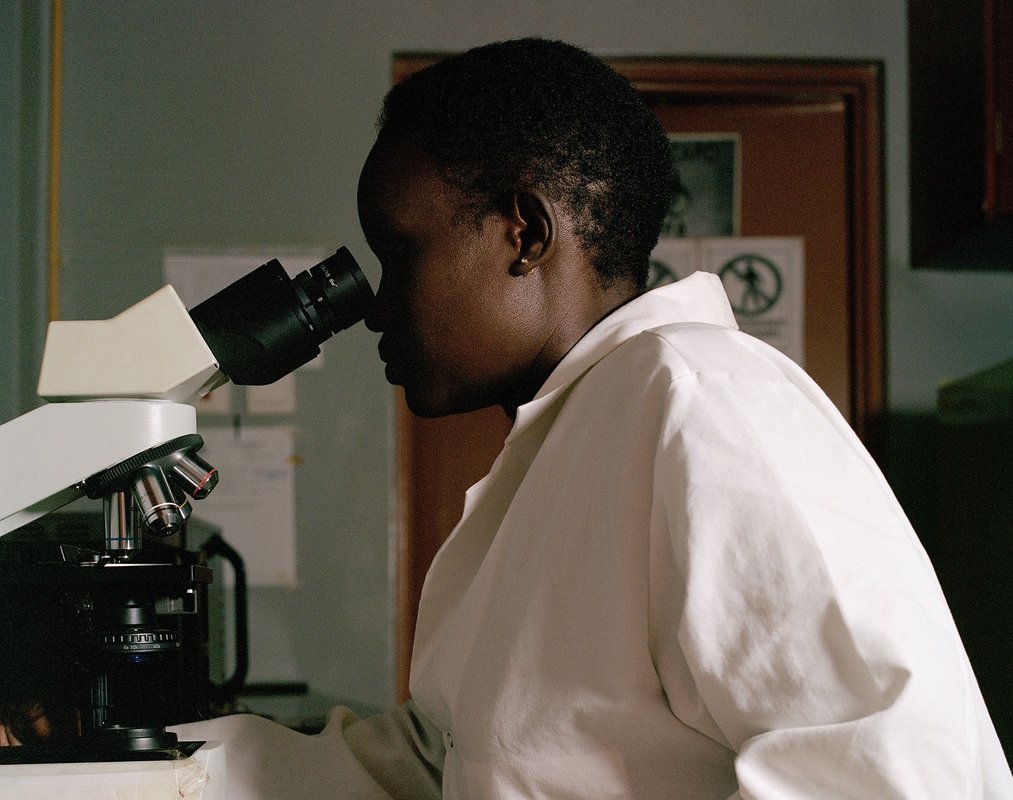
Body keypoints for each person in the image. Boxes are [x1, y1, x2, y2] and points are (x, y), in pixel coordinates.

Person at [117, 37, 1013, 798]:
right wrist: (148, 767)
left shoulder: (702, 402)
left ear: (525, 233)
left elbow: (899, 771)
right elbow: (453, 760)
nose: (376, 310)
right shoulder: (567, 441)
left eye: (399, 252)